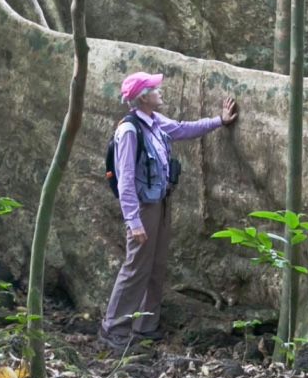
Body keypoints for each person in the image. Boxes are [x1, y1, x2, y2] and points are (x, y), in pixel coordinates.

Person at [100, 71, 238, 349]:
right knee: (136, 266)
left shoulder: (155, 122)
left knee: (157, 264)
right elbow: (126, 179)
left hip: (162, 202)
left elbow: (183, 129)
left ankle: (145, 325)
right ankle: (114, 329)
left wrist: (219, 121)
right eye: (154, 89)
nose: (160, 91)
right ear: (143, 97)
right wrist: (133, 221)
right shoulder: (129, 131)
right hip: (143, 208)